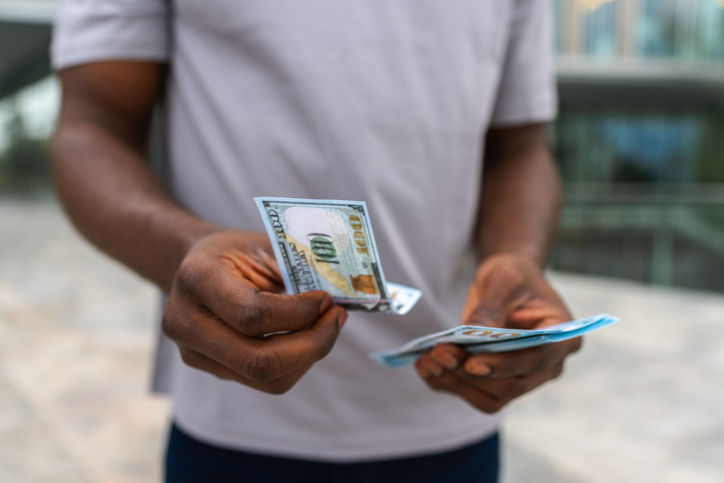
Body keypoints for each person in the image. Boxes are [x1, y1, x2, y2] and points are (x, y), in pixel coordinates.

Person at [50, 1, 581, 481]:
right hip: (236, 427)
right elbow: (91, 127)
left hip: (451, 420)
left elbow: (519, 145)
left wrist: (518, 256)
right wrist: (187, 247)